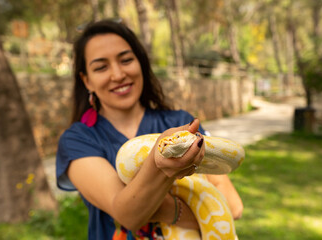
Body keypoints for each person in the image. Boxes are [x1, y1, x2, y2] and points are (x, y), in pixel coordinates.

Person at [56, 19, 243, 240]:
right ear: (87, 81)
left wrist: (152, 204)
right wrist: (165, 178)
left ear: (141, 64)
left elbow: (233, 206)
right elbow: (128, 215)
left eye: (126, 60)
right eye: (101, 67)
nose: (117, 75)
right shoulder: (78, 139)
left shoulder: (181, 122)